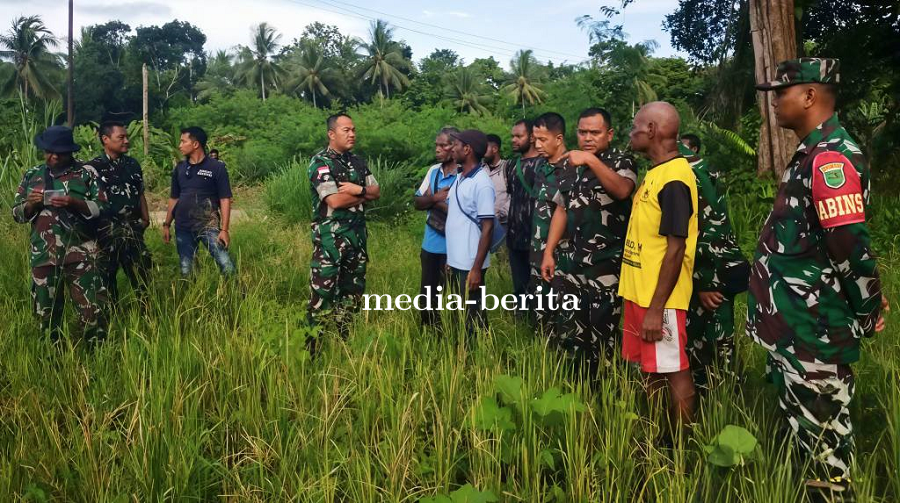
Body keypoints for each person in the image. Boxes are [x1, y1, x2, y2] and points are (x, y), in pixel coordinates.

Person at [749, 58, 887, 499]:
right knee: (806, 446)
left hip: (815, 335)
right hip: (794, 329)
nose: (773, 103)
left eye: (780, 93)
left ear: (809, 96)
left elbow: (850, 246)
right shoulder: (809, 152)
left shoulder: (831, 159)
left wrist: (867, 309)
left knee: (826, 460)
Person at [618, 101, 699, 429]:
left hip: (660, 300)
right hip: (641, 294)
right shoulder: (656, 173)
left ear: (651, 130)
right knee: (651, 369)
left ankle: (680, 450)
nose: (631, 132)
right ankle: (653, 437)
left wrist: (655, 309)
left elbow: (676, 249)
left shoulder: (675, 180)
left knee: (675, 370)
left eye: (635, 126)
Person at [540, 107, 637, 376]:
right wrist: (549, 252)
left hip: (607, 264)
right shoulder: (570, 165)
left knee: (603, 332)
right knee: (572, 328)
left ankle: (607, 389)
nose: (587, 138)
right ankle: (578, 383)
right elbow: (561, 208)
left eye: (594, 132)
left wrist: (592, 161)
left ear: (609, 134)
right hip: (573, 261)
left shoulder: (621, 161)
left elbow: (622, 190)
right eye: (582, 132)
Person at [12, 126, 108, 343]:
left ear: (70, 151)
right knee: (45, 315)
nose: (54, 156)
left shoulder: (86, 173)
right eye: (49, 151)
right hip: (44, 256)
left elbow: (102, 208)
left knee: (92, 312)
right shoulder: (32, 175)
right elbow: (17, 214)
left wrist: (74, 203)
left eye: (60, 152)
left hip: (82, 254)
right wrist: (31, 204)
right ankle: (51, 360)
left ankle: (97, 357)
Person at [678, 133, 747, 390]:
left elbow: (712, 224)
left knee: (718, 350)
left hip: (711, 275)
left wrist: (708, 280)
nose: (631, 136)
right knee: (694, 345)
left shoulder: (691, 168)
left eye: (636, 129)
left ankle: (726, 407)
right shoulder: (666, 165)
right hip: (689, 274)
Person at [307, 113, 381, 344]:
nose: (352, 134)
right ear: (331, 134)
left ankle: (343, 345)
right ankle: (313, 349)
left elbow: (376, 191)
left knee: (352, 296)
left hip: (357, 241)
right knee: (322, 295)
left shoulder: (358, 161)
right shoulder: (321, 163)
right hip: (331, 242)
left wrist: (357, 191)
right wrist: (364, 195)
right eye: (346, 130)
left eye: (354, 130)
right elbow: (334, 201)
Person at [92, 121, 153, 305]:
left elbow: (139, 192)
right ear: (105, 139)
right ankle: (113, 319)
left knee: (143, 274)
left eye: (127, 137)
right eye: (121, 137)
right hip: (106, 234)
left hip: (133, 231)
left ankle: (147, 314)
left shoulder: (132, 164)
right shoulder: (93, 167)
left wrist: (146, 218)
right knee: (107, 279)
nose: (126, 141)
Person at [161, 127, 235, 277]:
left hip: (209, 225)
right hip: (183, 227)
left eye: (183, 141)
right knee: (187, 270)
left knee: (227, 266)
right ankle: (193, 298)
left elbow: (225, 198)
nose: (180, 145)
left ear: (195, 144)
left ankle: (236, 296)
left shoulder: (217, 167)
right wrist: (167, 224)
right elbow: (174, 198)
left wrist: (225, 230)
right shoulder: (180, 169)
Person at [445, 129, 495, 337]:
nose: (451, 148)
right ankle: (463, 354)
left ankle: (479, 358)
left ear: (467, 149)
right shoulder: (460, 177)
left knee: (474, 315)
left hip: (471, 263)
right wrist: (451, 258)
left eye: (455, 144)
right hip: (458, 260)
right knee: (463, 312)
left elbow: (488, 227)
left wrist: (476, 268)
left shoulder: (482, 183)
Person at [531, 112, 576, 331]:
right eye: (535, 139)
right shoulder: (541, 167)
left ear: (558, 139)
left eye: (542, 139)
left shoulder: (573, 168)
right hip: (537, 251)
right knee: (540, 313)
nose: (537, 145)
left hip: (561, 255)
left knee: (563, 315)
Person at [414, 127, 459, 328]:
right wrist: (435, 197)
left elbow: (461, 214)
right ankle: (431, 338)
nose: (438, 150)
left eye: (444, 145)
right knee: (428, 299)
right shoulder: (433, 171)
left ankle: (458, 343)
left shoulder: (464, 175)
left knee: (458, 301)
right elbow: (417, 201)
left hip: (456, 249)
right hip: (430, 246)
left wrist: (432, 201)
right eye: (437, 146)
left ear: (455, 146)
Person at [504, 119, 543, 313]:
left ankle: (540, 327)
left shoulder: (544, 164)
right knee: (519, 286)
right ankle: (522, 323)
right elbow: (513, 194)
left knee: (539, 288)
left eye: (519, 136)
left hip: (537, 238)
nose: (514, 140)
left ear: (533, 137)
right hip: (515, 237)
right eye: (513, 136)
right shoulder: (511, 165)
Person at [484, 134, 509, 226]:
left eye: (485, 148)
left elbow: (514, 195)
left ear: (494, 149)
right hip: (482, 225)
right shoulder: (480, 169)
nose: (482, 152)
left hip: (503, 225)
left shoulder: (508, 168)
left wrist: (501, 214)